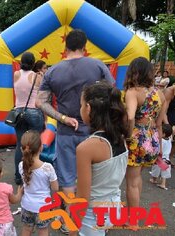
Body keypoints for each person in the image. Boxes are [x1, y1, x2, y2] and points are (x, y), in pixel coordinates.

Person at [36, 29, 114, 229]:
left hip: (66, 132)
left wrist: (62, 117)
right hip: (95, 133)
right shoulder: (98, 66)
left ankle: (69, 221)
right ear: (85, 46)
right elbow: (113, 94)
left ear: (65, 47)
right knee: (95, 177)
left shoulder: (53, 71)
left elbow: (41, 102)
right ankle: (91, 219)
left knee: (67, 178)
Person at [76, 81, 128, 236]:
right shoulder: (121, 138)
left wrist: (73, 228)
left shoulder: (86, 148)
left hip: (92, 217)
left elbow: (83, 198)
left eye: (81, 105)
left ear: (88, 108)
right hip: (114, 207)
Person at [124, 57, 165, 213]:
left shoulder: (133, 92)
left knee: (131, 181)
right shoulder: (159, 94)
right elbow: (159, 123)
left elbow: (130, 117)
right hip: (152, 139)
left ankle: (132, 220)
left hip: (137, 140)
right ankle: (134, 212)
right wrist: (159, 147)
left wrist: (128, 137)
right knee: (137, 178)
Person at [13, 52, 45, 185]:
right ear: (33, 63)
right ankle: (33, 173)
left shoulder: (16, 74)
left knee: (20, 144)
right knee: (34, 144)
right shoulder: (36, 76)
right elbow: (42, 95)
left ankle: (18, 176)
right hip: (33, 111)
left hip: (18, 111)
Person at [19, 130, 59, 236]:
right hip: (43, 206)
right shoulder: (47, 168)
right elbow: (55, 188)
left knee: (27, 229)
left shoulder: (21, 165)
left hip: (27, 205)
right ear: (41, 147)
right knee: (43, 230)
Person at [150, 124, 173, 190]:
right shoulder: (169, 139)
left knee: (155, 169)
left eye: (160, 131)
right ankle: (163, 184)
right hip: (167, 159)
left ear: (164, 134)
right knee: (165, 170)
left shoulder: (161, 141)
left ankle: (154, 179)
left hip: (159, 158)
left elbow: (157, 148)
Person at [162, 83, 175, 168]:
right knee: (165, 141)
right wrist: (168, 126)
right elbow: (164, 111)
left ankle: (169, 158)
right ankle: (161, 159)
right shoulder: (169, 91)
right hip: (168, 119)